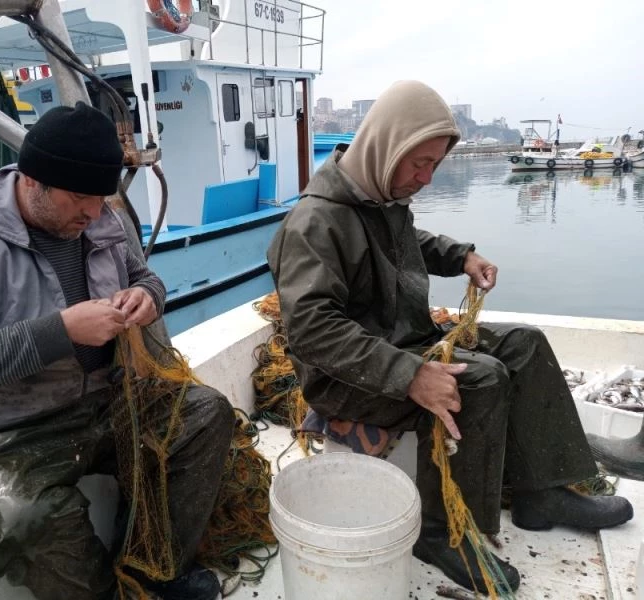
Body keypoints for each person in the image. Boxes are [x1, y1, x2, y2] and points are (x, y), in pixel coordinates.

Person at [266, 81, 634, 593]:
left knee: (524, 343)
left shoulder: (376, 194)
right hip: (346, 375)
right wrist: (410, 374)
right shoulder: (315, 223)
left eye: (435, 165)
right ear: (385, 146)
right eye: (419, 163)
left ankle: (541, 492)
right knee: (481, 379)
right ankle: (445, 532)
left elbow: (405, 242)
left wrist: (460, 255)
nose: (427, 178)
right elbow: (312, 332)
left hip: (404, 341)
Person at [0, 101, 234, 600]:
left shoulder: (99, 219)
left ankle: (151, 575)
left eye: (101, 199)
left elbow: (145, 276)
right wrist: (61, 331)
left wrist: (146, 297)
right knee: (29, 515)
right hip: (2, 434)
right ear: (33, 181)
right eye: (80, 197)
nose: (92, 212)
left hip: (103, 403)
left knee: (205, 415)